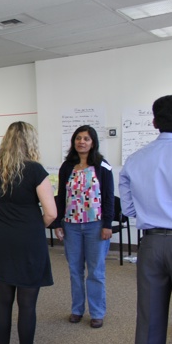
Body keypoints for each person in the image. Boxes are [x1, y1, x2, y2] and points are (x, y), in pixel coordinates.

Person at [0, 121, 56, 344]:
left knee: (3, 301)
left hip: (0, 238)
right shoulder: (35, 170)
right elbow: (51, 213)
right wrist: (34, 224)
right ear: (30, 141)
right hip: (28, 241)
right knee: (27, 304)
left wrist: (1, 219)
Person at [120, 95, 172, 344]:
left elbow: (128, 208)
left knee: (149, 320)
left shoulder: (135, 159)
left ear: (154, 122)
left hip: (150, 244)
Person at [55, 125, 114, 329]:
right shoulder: (66, 167)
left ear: (93, 142)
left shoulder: (102, 165)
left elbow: (109, 197)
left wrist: (108, 224)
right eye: (78, 138)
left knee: (96, 271)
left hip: (95, 225)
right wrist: (57, 222)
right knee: (75, 270)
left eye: (86, 139)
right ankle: (77, 309)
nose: (82, 142)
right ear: (74, 141)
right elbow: (61, 197)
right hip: (71, 225)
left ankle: (97, 312)